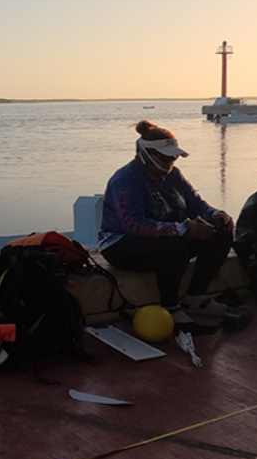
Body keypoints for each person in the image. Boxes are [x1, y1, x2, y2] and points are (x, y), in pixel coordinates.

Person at [99, 120, 242, 327]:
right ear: (147, 154)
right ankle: (170, 306)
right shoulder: (125, 180)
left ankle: (196, 297)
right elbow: (134, 225)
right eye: (167, 157)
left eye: (173, 157)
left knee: (222, 232)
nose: (171, 162)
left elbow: (195, 203)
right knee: (175, 244)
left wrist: (217, 214)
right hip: (121, 245)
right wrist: (183, 228)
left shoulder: (173, 175)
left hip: (164, 237)